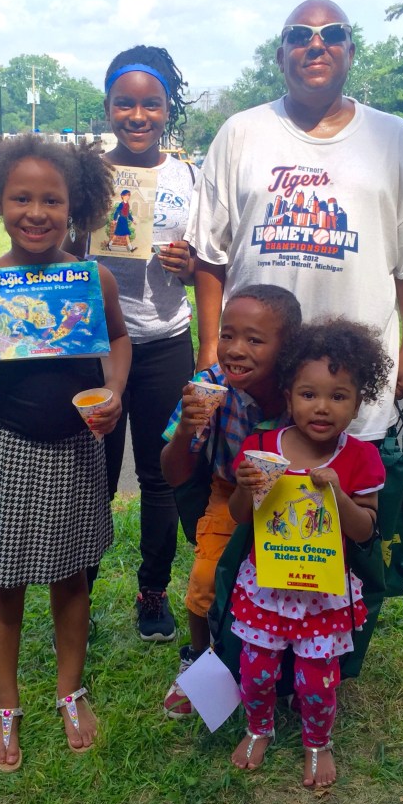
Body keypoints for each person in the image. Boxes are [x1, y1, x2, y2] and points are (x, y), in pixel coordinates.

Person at [0, 134, 130, 772]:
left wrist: (114, 389)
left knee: (70, 572)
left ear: (74, 205)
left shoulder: (92, 278)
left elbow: (121, 339)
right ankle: (5, 705)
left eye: (51, 199)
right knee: (5, 578)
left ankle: (70, 690)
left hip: (77, 445)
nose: (36, 211)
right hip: (7, 445)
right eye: (20, 197)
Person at [187, 0, 403, 446]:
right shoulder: (241, 132)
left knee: (352, 503)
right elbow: (209, 254)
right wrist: (209, 347)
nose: (316, 45)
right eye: (299, 36)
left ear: (351, 52)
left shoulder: (392, 136)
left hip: (348, 382)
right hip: (256, 377)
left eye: (333, 34)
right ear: (281, 56)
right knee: (249, 497)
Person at [228, 319, 391, 788]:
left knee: (317, 679)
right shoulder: (261, 448)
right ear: (287, 395)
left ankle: (318, 743)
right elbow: (242, 518)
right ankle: (259, 728)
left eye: (339, 396)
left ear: (358, 402)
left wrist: (338, 495)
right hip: (268, 589)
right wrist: (247, 487)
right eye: (308, 393)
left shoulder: (361, 459)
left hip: (323, 593)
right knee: (256, 670)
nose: (322, 407)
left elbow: (366, 531)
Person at [78, 45, 198, 641]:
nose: (137, 114)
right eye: (124, 103)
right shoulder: (84, 173)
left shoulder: (187, 176)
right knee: (92, 473)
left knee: (159, 475)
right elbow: (51, 247)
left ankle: (153, 592)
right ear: (108, 106)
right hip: (93, 345)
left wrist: (190, 259)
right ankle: (81, 587)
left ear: (167, 108)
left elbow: (209, 256)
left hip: (165, 339)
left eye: (151, 103)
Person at [159, 285, 301, 718]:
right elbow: (173, 473)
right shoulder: (208, 388)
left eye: (255, 340)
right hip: (228, 491)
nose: (236, 350)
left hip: (291, 500)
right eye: (227, 335)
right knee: (205, 578)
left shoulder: (303, 388)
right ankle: (203, 662)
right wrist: (186, 428)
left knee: (293, 583)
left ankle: (298, 666)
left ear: (288, 347)